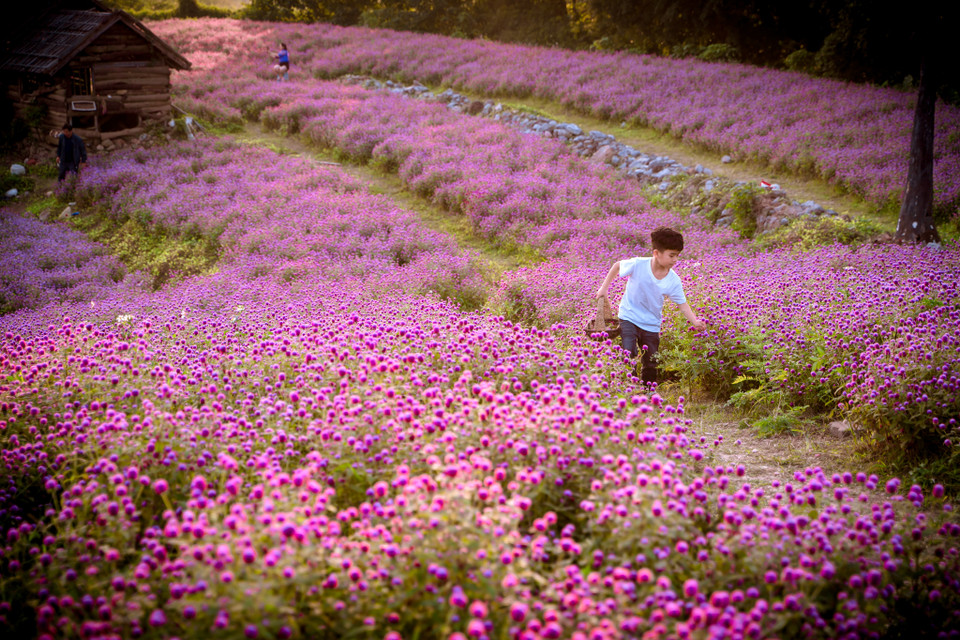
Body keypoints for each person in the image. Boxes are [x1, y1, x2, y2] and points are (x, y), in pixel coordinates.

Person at [595, 226, 706, 386]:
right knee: (628, 352)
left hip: (651, 324)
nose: (675, 260)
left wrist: (694, 321)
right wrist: (604, 288)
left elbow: (682, 304)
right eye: (671, 255)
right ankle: (629, 387)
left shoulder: (673, 280)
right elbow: (617, 265)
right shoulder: (638, 264)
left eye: (678, 256)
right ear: (656, 253)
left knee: (652, 361)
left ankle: (648, 392)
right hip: (629, 316)